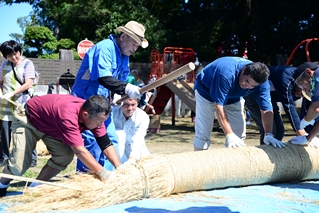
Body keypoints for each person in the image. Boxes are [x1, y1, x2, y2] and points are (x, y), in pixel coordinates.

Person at [0, 94, 121, 197]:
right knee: (19, 165)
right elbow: (79, 151)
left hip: (52, 126)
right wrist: (103, 173)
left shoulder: (95, 114)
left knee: (64, 156)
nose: (100, 125)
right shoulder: (68, 115)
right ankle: (2, 185)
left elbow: (105, 142)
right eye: (99, 122)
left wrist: (119, 167)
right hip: (28, 120)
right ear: (85, 115)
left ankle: (35, 187)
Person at [72, 20, 148, 172]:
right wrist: (126, 88)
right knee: (92, 144)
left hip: (103, 105)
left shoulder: (124, 56)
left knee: (112, 141)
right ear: (123, 36)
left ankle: (107, 180)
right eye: (134, 44)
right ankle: (86, 182)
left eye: (137, 46)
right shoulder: (105, 47)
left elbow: (120, 82)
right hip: (85, 104)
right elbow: (104, 78)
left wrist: (133, 90)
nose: (135, 49)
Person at [193, 56, 285, 150]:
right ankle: (198, 158)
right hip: (205, 92)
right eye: (247, 81)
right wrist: (229, 134)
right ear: (244, 70)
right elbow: (219, 107)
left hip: (234, 97)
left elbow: (266, 110)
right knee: (204, 131)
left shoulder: (262, 84)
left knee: (238, 134)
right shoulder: (226, 73)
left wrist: (269, 134)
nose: (247, 86)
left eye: (252, 86)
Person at [244, 62, 319, 145]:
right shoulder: (286, 78)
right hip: (254, 96)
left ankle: (275, 155)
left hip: (271, 99)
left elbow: (309, 109)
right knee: (270, 130)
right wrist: (302, 133)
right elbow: (289, 107)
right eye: (307, 87)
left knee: (280, 131)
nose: (308, 90)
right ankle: (264, 154)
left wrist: (309, 136)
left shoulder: (307, 84)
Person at [0, 40, 38, 167]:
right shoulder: (4, 65)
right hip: (5, 104)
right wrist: (1, 92)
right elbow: (0, 82)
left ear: (19, 51)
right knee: (5, 131)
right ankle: (5, 157)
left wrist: (12, 93)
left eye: (15, 53)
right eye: (9, 55)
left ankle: (32, 158)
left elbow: (28, 83)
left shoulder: (28, 64)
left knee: (26, 130)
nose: (13, 57)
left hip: (22, 103)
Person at [288, 64, 319, 147]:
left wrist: (305, 121)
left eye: (301, 83)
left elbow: (315, 109)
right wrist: (308, 139)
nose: (302, 88)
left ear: (308, 72)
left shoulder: (317, 75)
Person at [113, 97, 150, 164]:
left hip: (136, 148)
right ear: (120, 103)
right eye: (126, 104)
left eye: (133, 105)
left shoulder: (143, 116)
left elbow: (138, 138)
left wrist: (133, 157)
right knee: (119, 134)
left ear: (137, 103)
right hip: (115, 149)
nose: (130, 108)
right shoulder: (112, 114)